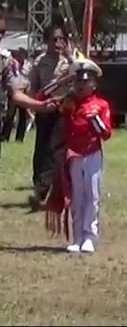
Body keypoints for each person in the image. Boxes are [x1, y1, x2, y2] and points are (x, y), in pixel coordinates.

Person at [39, 59, 111, 254]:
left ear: (94, 84)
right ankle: (77, 236)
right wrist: (63, 81)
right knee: (76, 197)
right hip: (73, 155)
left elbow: (106, 134)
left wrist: (95, 120)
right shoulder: (69, 103)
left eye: (85, 82)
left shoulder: (101, 105)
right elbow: (42, 96)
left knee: (92, 196)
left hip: (92, 154)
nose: (81, 85)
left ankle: (90, 236)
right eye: (78, 81)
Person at [26, 24, 73, 207]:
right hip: (44, 109)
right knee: (42, 148)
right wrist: (34, 106)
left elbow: (81, 75)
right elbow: (33, 85)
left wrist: (70, 56)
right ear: (47, 42)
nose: (58, 43)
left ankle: (44, 189)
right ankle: (39, 183)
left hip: (62, 109)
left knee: (56, 150)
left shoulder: (70, 61)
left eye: (62, 39)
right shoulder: (39, 62)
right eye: (54, 39)